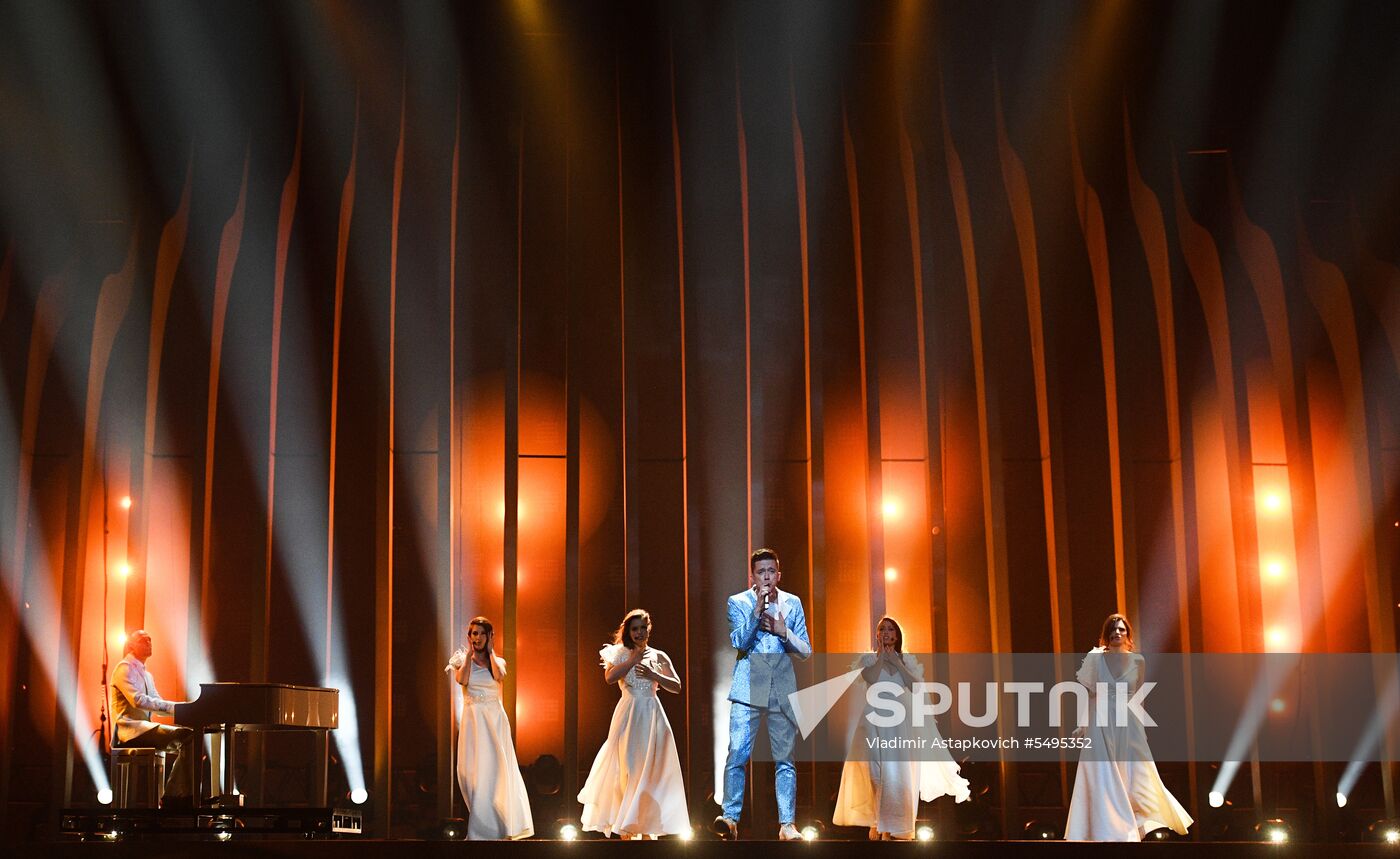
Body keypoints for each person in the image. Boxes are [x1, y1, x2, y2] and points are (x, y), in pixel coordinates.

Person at [833, 616, 969, 839]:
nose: (886, 632)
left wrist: (895, 661)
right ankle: (877, 821)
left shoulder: (906, 661)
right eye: (881, 629)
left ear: (896, 635)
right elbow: (872, 678)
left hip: (898, 723)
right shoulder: (868, 660)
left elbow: (915, 686)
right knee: (874, 773)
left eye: (890, 629)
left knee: (896, 775)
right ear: (877, 635)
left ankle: (890, 827)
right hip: (873, 720)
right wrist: (881, 656)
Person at [1065, 613, 1193, 841]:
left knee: (1137, 774)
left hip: (1128, 722)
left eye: (1121, 629)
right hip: (1101, 721)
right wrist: (1083, 725)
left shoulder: (1138, 661)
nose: (1117, 633)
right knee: (1102, 774)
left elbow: (1138, 697)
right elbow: (1091, 696)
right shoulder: (1096, 659)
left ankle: (1135, 824)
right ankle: (1107, 829)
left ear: (1128, 634)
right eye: (1112, 629)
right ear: (1106, 634)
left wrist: (1141, 728)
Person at [718, 548, 812, 841]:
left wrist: (785, 632)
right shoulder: (738, 602)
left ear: (778, 574)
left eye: (771, 571)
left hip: (781, 690)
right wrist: (756, 612)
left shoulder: (793, 603)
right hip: (748, 689)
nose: (767, 576)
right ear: (753, 576)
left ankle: (787, 824)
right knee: (737, 754)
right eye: (761, 572)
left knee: (785, 760)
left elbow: (806, 651)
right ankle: (731, 819)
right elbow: (739, 642)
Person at [577, 609, 690, 839]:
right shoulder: (620, 653)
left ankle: (646, 828)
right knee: (628, 768)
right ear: (628, 631)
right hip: (629, 715)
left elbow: (677, 686)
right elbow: (609, 678)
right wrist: (632, 660)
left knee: (651, 772)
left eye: (642, 628)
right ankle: (626, 828)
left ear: (649, 629)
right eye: (634, 628)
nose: (639, 632)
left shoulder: (658, 656)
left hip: (652, 714)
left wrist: (654, 675)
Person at [447, 616, 534, 840]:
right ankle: (482, 828)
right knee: (474, 774)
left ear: (489, 636)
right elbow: (462, 680)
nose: (477, 638)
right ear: (469, 637)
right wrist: (468, 655)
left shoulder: (499, 661)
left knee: (496, 772)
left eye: (481, 633)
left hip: (494, 720)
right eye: (473, 633)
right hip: (474, 722)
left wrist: (492, 651)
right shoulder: (461, 661)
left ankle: (502, 827)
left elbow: (499, 676)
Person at [108, 629, 195, 809]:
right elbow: (138, 700)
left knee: (189, 736)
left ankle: (178, 795)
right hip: (130, 731)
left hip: (143, 728)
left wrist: (185, 710)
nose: (149, 642)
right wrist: (180, 709)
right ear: (131, 645)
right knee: (188, 737)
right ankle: (174, 797)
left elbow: (158, 703)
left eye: (150, 639)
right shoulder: (124, 668)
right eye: (143, 640)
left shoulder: (147, 675)